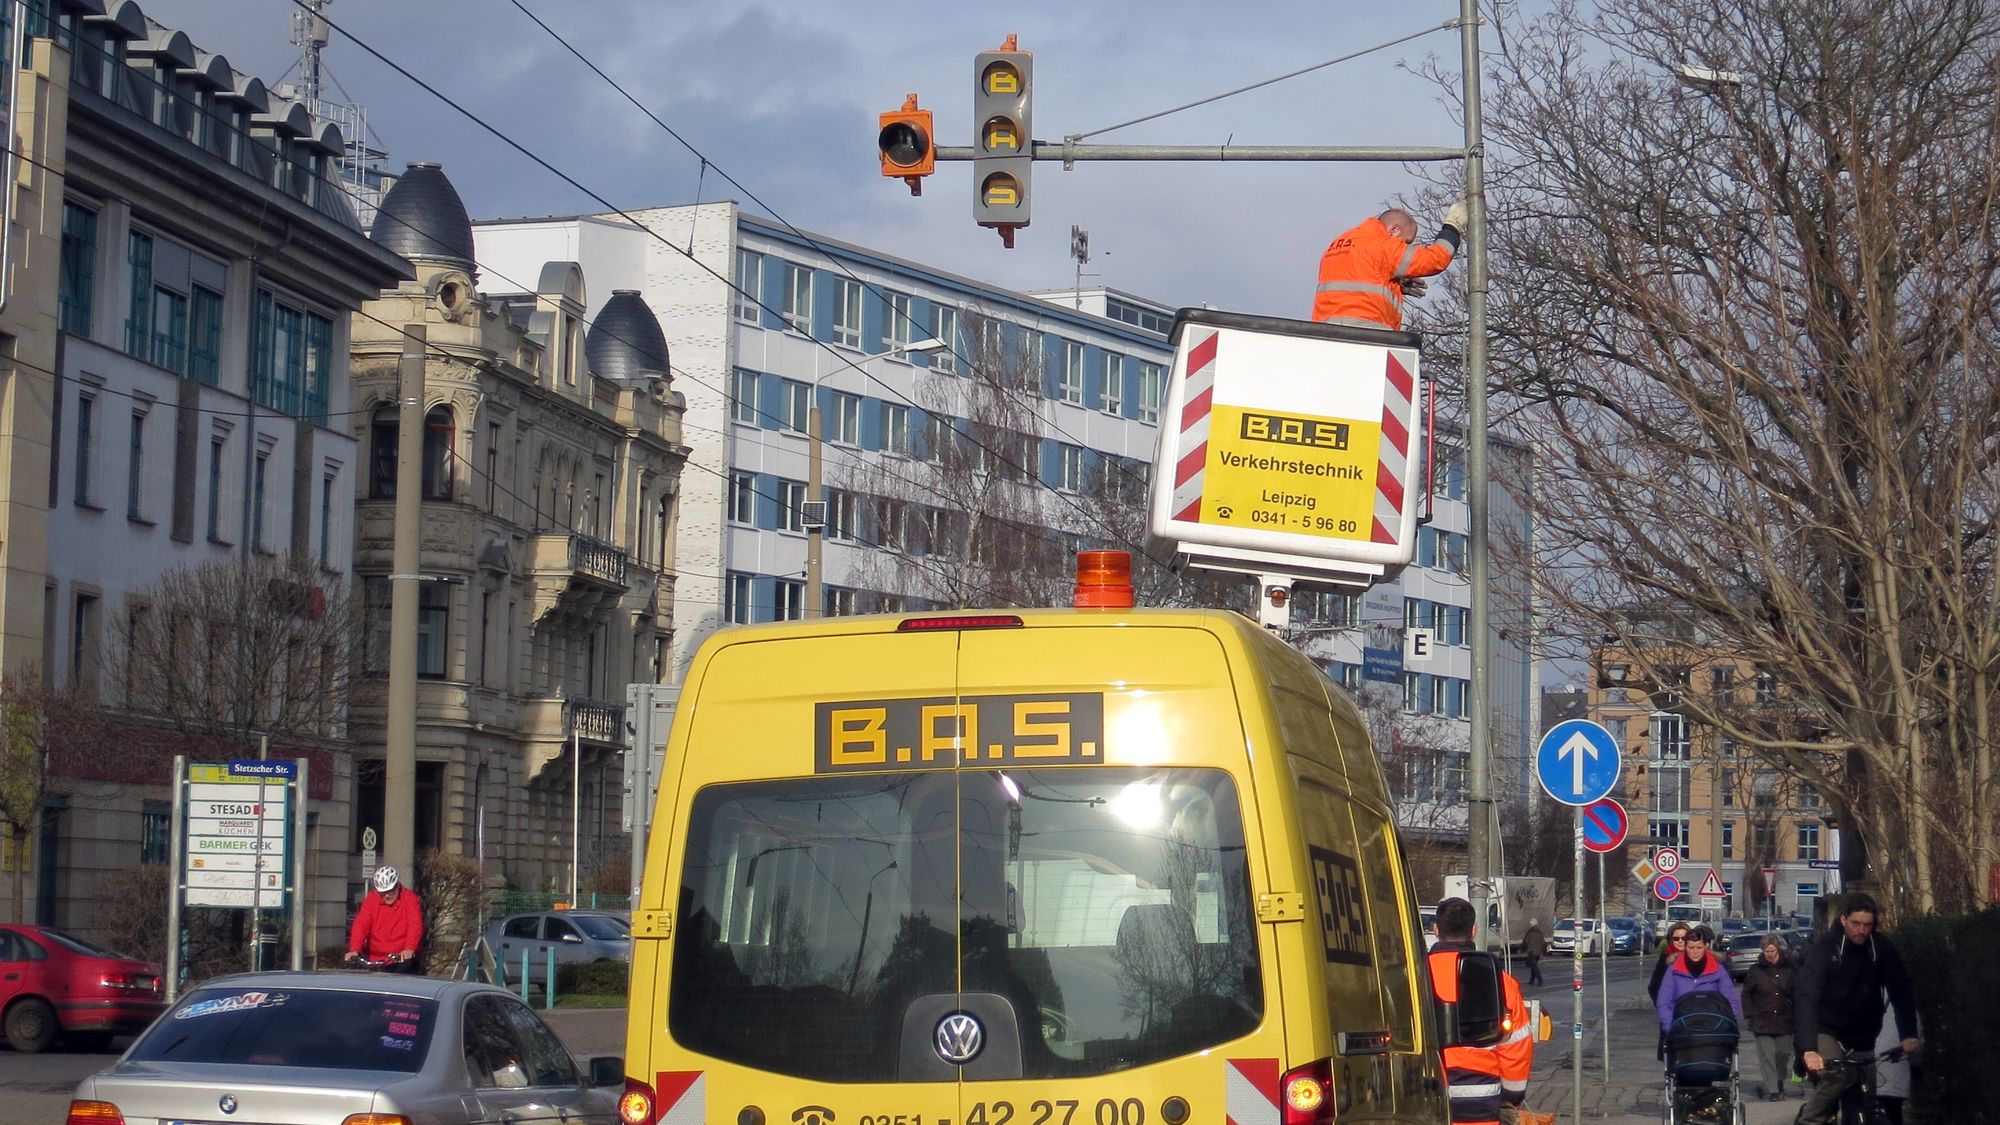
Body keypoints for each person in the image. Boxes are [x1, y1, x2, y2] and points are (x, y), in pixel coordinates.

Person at [1793, 892, 1919, 1125]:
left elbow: (1901, 991)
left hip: (1863, 1036)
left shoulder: (1881, 948)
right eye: (1856, 924)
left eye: (1867, 925)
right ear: (1843, 920)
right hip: (1825, 1029)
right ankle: (1809, 1121)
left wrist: (1908, 1034)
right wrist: (1808, 1049)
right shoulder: (1825, 949)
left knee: (1866, 1097)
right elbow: (1806, 998)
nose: (1861, 930)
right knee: (1836, 1078)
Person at [1427, 897, 1534, 1125]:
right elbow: (1516, 1047)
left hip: (1423, 1089)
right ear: (1474, 930)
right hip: (1479, 1094)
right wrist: (1510, 1100)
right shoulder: (1501, 982)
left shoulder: (1413, 975)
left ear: (1435, 929)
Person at [1311, 201, 1467, 331]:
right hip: (1366, 333)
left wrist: (1394, 283)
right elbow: (1435, 259)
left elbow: (1358, 276)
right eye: (1405, 242)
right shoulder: (1383, 245)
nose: (1404, 247)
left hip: (1324, 334)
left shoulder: (1337, 244)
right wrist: (1452, 226)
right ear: (1394, 230)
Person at [1655, 924, 1743, 1033]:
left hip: (1712, 1029)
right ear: (1685, 947)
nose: (1695, 952)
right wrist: (1671, 1027)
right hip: (1681, 1030)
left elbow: (1731, 1000)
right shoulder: (1674, 971)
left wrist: (1727, 1024)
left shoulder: (1718, 969)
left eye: (1699, 947)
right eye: (1691, 948)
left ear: (1706, 946)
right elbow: (1664, 1002)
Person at [1739, 934, 1796, 1101]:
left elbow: (1797, 992)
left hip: (1785, 1020)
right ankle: (1773, 1089)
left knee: (1783, 1054)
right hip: (1762, 1020)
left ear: (1778, 949)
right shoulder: (1756, 970)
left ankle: (1779, 1080)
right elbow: (1746, 994)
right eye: (1766, 951)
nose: (1769, 954)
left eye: (1772, 950)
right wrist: (1749, 1013)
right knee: (1767, 1056)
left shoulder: (1790, 969)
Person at [345, 865, 425, 973]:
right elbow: (361, 925)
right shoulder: (371, 900)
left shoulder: (409, 899)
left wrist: (409, 948)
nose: (387, 896)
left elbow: (414, 925)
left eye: (390, 891)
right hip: (375, 958)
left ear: (397, 886)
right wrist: (355, 949)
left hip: (402, 959)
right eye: (382, 893)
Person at [1648, 922, 1691, 1005]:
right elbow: (1654, 986)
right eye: (1676, 938)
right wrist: (1662, 1005)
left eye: (1684, 938)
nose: (1680, 941)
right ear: (1670, 939)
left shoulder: (1695, 957)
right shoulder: (1665, 958)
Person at [1522, 918, 1546, 986]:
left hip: (1531, 951)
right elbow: (1543, 943)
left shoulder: (1529, 932)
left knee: (1534, 966)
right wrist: (1543, 952)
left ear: (1531, 924)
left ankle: (1540, 980)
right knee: (1534, 965)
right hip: (1538, 952)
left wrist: (1522, 949)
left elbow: (1525, 942)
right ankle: (1531, 980)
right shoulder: (1540, 932)